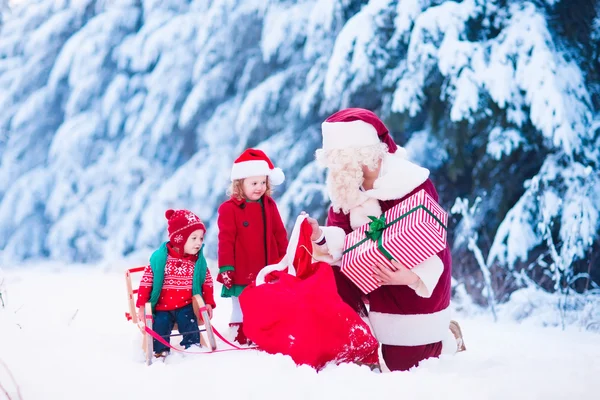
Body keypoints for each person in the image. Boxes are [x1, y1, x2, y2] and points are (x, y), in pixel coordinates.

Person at [307, 108, 466, 372]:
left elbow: (432, 235)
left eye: (343, 159)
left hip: (412, 279)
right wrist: (320, 236)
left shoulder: (409, 181)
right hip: (369, 275)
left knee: (403, 365)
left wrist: (413, 276)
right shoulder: (346, 185)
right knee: (327, 277)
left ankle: (444, 339)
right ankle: (354, 341)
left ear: (364, 154)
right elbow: (341, 233)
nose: (338, 167)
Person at [217, 148, 289, 345]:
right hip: (242, 267)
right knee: (240, 302)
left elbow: (279, 233)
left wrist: (285, 259)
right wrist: (226, 267)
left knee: (266, 302)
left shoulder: (269, 205)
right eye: (254, 183)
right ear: (240, 184)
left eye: (263, 182)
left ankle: (264, 331)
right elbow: (226, 240)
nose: (259, 187)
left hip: (267, 266)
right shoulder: (229, 210)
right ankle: (239, 332)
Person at [136, 209, 216, 358]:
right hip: (162, 307)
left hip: (185, 305)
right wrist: (142, 306)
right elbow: (146, 282)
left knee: (189, 323)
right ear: (179, 239)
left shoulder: (197, 261)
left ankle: (192, 347)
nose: (199, 243)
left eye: (201, 238)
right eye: (194, 238)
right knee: (160, 324)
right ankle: (160, 351)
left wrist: (209, 302)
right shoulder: (160, 259)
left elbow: (207, 282)